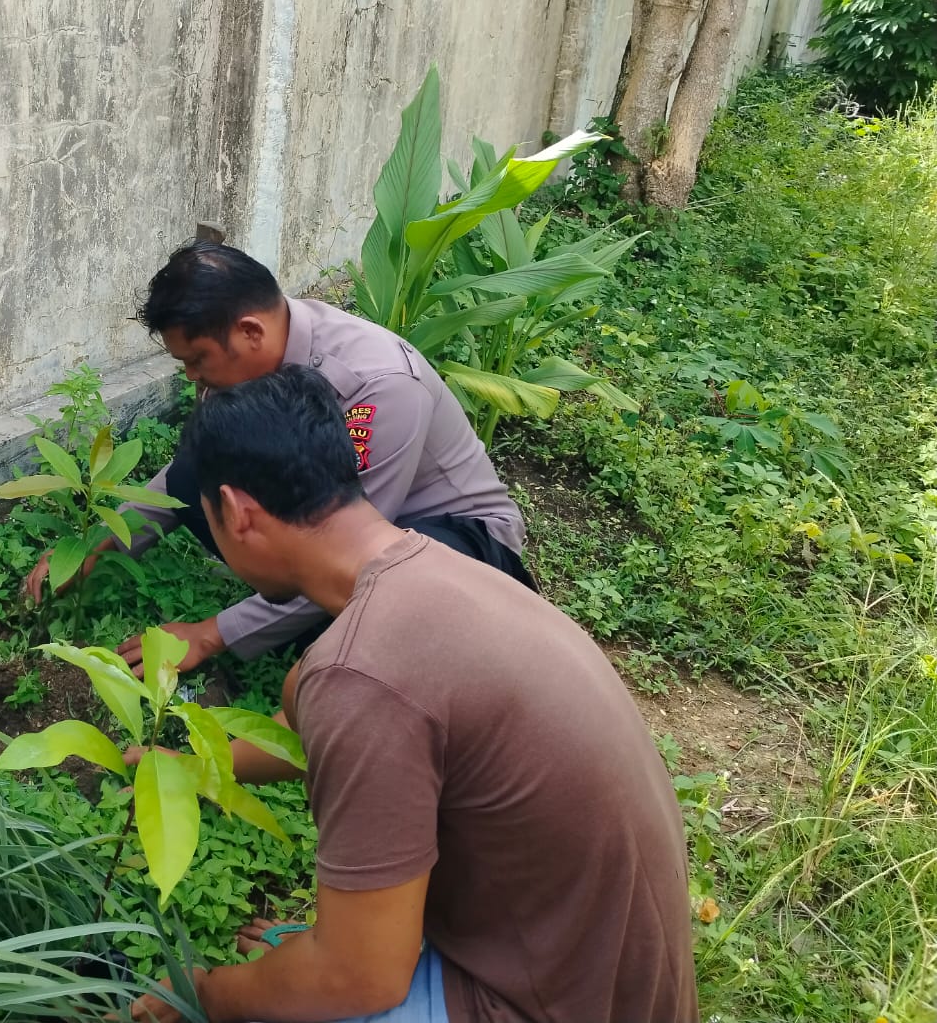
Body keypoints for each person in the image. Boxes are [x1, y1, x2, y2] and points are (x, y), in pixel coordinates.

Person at [128, 366, 697, 1023]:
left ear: (236, 511)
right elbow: (300, 727)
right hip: (600, 978)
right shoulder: (434, 569)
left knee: (283, 995)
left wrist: (208, 995)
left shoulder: (362, 675)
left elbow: (358, 980)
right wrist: (187, 765)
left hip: (538, 1004)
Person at [23, 241, 532, 676]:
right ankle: (307, 617)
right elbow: (186, 478)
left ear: (250, 331)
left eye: (198, 360)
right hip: (336, 529)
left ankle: (333, 635)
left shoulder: (379, 386)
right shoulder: (244, 369)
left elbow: (358, 543)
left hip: (445, 539)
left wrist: (211, 634)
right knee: (198, 473)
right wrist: (100, 545)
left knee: (384, 606)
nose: (192, 378)